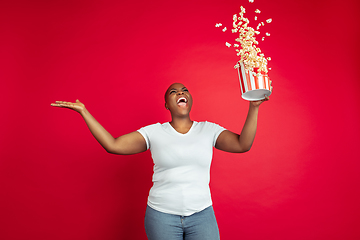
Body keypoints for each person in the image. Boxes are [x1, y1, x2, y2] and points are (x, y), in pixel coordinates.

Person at [51, 82, 271, 240]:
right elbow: (113, 145)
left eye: (184, 90)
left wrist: (253, 107)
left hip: (202, 214)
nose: (180, 93)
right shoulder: (154, 132)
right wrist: (84, 112)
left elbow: (243, 145)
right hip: (162, 216)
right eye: (173, 92)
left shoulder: (209, 130)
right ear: (167, 104)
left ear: (190, 99)